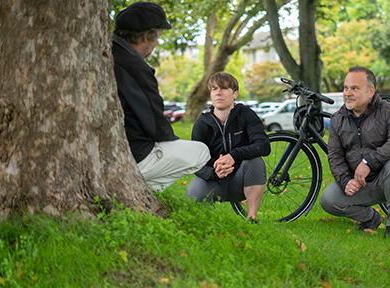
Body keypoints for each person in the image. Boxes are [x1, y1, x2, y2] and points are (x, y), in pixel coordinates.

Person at [112, 2, 210, 191]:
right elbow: (157, 127)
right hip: (134, 154)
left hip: (112, 148)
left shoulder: (105, 52)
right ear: (148, 36)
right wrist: (169, 139)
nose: (157, 43)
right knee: (201, 151)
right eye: (158, 37)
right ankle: (140, 192)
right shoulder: (137, 67)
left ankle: (141, 195)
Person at [320, 66, 390, 238]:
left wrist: (368, 162)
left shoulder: (389, 111)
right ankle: (371, 218)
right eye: (345, 88)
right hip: (362, 183)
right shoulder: (337, 119)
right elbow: (335, 156)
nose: (348, 93)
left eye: (355, 88)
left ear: (370, 91)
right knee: (328, 199)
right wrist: (345, 180)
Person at [186, 72, 271, 221]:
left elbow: (263, 146)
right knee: (193, 193)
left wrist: (234, 155)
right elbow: (195, 163)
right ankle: (208, 223)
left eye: (224, 88)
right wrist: (214, 173)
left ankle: (251, 218)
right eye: (214, 89)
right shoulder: (202, 124)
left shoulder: (246, 115)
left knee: (256, 162)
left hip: (241, 180)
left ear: (235, 94)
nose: (218, 92)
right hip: (213, 181)